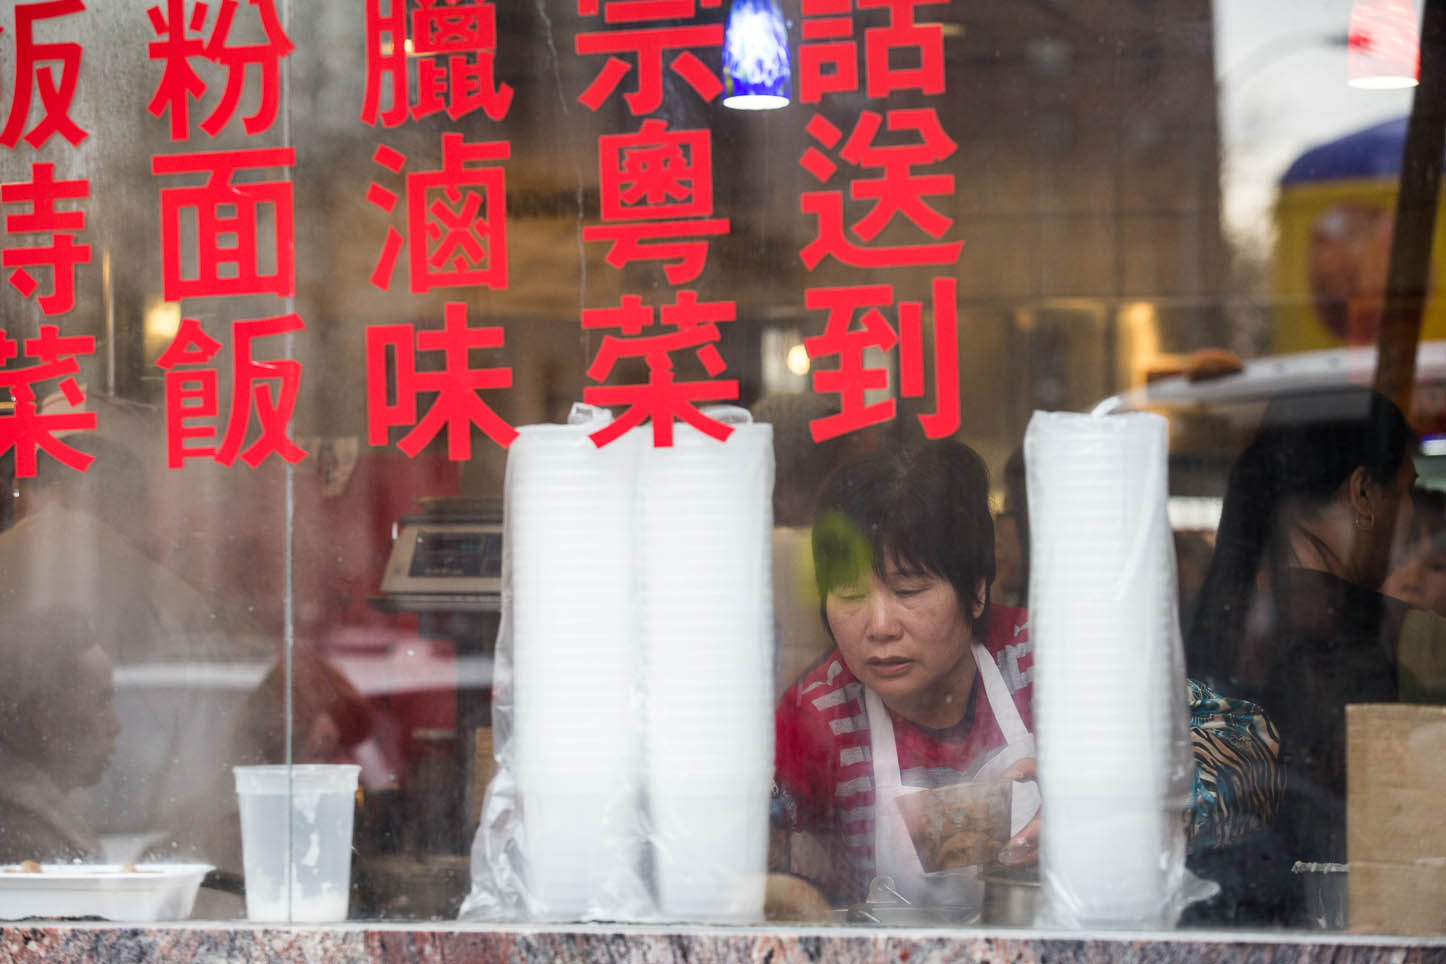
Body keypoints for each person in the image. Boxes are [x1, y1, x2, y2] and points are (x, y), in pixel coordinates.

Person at [773, 439, 1282, 911]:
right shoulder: (816, 716)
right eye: (851, 594)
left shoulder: (1049, 661)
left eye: (909, 591)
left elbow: (1253, 751)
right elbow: (749, 857)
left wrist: (1109, 802)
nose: (879, 627)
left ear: (976, 590)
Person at [1184, 386, 1417, 922]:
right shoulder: (1370, 636)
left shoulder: (1203, 618)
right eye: (1405, 490)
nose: (1412, 520)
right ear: (1362, 493)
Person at [0, 606, 120, 863]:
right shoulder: (21, 830)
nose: (115, 725)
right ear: (47, 717)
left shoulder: (31, 817)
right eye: (101, 703)